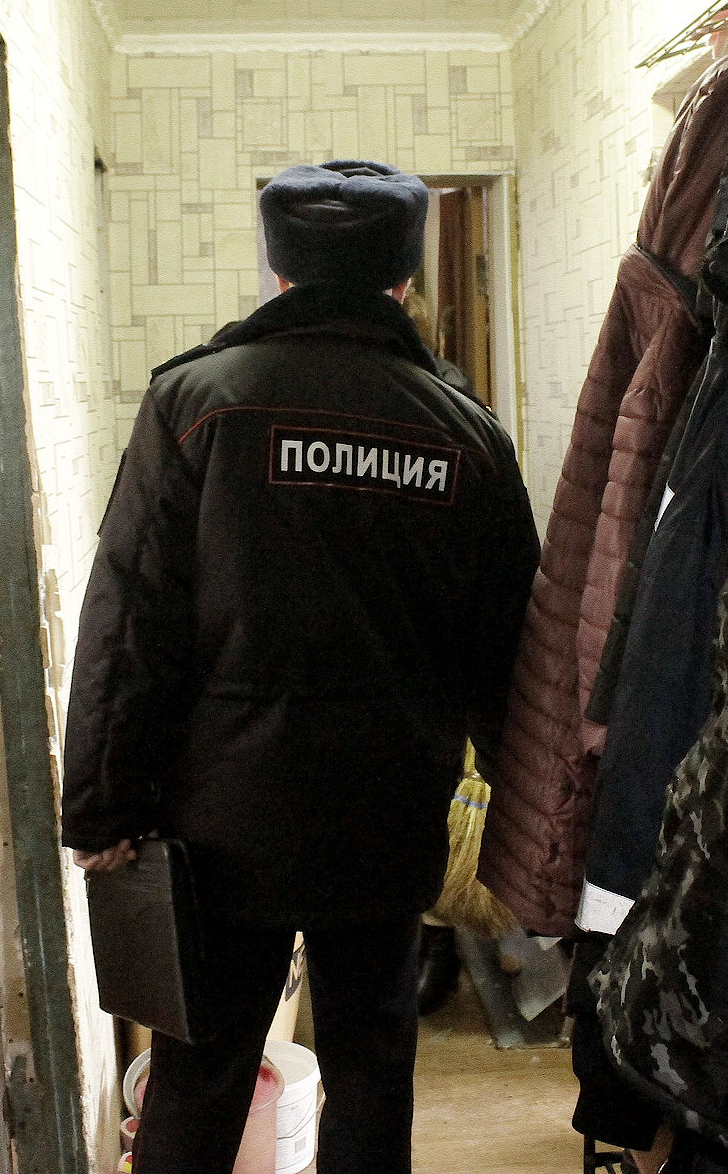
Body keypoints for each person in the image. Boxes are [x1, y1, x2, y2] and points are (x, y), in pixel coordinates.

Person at [61, 159, 540, 1174]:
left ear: (278, 271)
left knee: (200, 1077)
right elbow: (510, 653)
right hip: (386, 815)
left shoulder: (196, 401)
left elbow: (130, 620)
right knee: (372, 1071)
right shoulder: (467, 435)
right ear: (403, 279)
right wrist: (535, 829)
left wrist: (103, 805)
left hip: (221, 822)